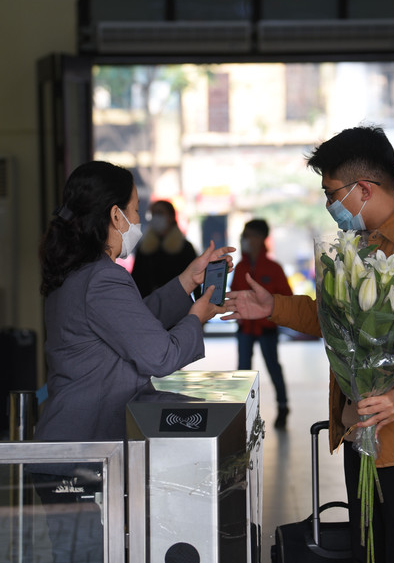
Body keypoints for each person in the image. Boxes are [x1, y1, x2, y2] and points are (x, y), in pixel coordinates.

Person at [223, 126, 394, 563]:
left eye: (332, 194)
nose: (329, 206)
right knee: (368, 549)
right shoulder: (357, 246)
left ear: (364, 188)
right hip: (361, 431)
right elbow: (339, 322)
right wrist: (274, 307)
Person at [31, 161, 233, 562]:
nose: (140, 221)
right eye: (136, 211)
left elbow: (135, 322)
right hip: (81, 452)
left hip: (72, 449)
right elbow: (160, 354)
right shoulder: (102, 277)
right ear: (115, 215)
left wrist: (187, 282)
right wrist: (197, 317)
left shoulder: (81, 273)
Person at [231, 219, 293, 428]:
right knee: (243, 371)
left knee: (273, 367)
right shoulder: (241, 267)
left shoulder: (273, 268)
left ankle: (283, 406)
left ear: (260, 238)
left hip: (267, 329)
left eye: (248, 235)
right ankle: (242, 411)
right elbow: (234, 293)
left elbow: (287, 297)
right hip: (245, 328)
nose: (244, 239)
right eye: (244, 235)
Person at [131, 199, 198, 298]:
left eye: (160, 213)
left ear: (171, 217)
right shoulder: (144, 247)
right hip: (148, 303)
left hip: (177, 303)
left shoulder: (185, 247)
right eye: (153, 213)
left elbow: (195, 279)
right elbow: (136, 279)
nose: (156, 217)